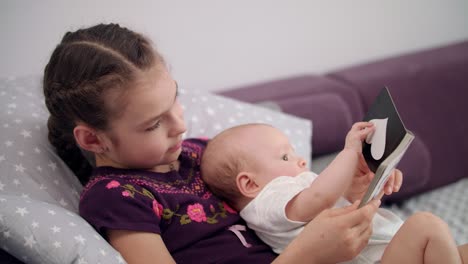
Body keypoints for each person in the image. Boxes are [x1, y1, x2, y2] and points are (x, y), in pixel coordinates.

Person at [43, 23, 393, 264]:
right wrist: (308, 255)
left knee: (433, 240)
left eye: (175, 101)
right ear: (93, 139)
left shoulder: (199, 152)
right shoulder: (117, 196)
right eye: (153, 124)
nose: (179, 125)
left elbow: (284, 202)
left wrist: (350, 185)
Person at [201, 123, 468, 263]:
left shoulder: (293, 195)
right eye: (285, 156)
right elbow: (320, 198)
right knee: (425, 223)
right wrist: (350, 151)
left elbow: (339, 207)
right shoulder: (267, 201)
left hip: (390, 251)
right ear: (249, 184)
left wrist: (375, 184)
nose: (301, 161)